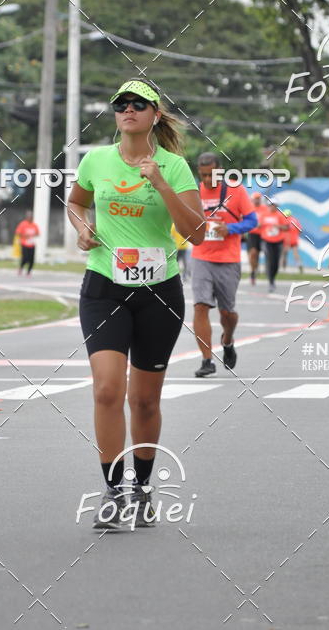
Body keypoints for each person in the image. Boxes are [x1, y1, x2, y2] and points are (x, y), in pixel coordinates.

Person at [67, 78, 205, 529]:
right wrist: (82, 229)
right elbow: (75, 203)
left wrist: (161, 184)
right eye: (121, 104)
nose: (128, 109)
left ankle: (142, 489)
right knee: (107, 389)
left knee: (144, 401)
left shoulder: (175, 167)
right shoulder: (96, 160)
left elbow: (198, 233)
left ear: (155, 114)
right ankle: (113, 492)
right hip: (104, 285)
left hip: (158, 291)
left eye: (139, 104)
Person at [191, 154, 257, 377]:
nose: (207, 179)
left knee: (227, 313)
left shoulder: (236, 190)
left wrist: (231, 229)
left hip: (228, 259)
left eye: (211, 174)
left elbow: (252, 221)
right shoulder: (194, 191)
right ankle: (207, 360)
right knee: (200, 306)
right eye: (203, 175)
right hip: (201, 256)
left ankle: (227, 340)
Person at [258, 201, 289, 293]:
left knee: (276, 263)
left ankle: (272, 277)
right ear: (268, 206)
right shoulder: (264, 215)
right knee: (270, 259)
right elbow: (258, 225)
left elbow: (287, 228)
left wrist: (278, 226)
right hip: (267, 241)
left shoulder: (280, 215)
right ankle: (271, 281)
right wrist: (259, 225)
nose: (273, 207)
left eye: (274, 205)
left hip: (278, 241)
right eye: (271, 205)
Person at [246, 192, 267, 284]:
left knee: (260, 253)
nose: (257, 200)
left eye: (258, 198)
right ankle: (253, 272)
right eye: (255, 198)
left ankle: (257, 267)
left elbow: (267, 218)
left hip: (263, 234)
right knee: (253, 253)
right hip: (252, 234)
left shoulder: (265, 208)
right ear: (252, 199)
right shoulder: (249, 208)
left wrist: (262, 224)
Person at [15, 210, 40, 275]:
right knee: (25, 258)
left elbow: (38, 233)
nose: (30, 218)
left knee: (31, 259)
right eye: (29, 216)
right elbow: (18, 233)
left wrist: (33, 235)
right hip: (24, 244)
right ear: (26, 217)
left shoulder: (34, 225)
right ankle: (21, 268)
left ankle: (28, 272)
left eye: (31, 217)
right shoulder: (23, 224)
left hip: (32, 244)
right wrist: (25, 235)